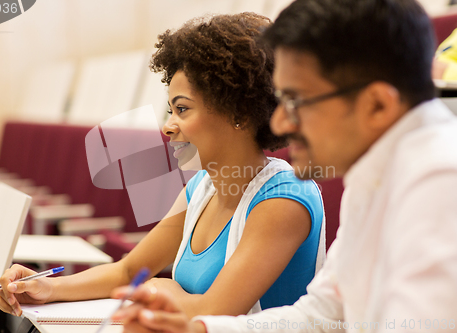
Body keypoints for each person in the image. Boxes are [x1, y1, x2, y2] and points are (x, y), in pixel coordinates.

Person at [111, 0, 457, 332]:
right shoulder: (373, 174)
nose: (278, 122)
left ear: (377, 105)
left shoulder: (441, 183)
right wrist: (198, 328)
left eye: (294, 100)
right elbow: (321, 317)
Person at [0, 12, 325, 320]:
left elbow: (213, 313)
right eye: (170, 110)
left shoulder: (285, 197)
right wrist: (46, 289)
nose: (167, 125)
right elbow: (129, 271)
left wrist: (158, 287)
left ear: (238, 113)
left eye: (182, 109)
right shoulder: (201, 188)